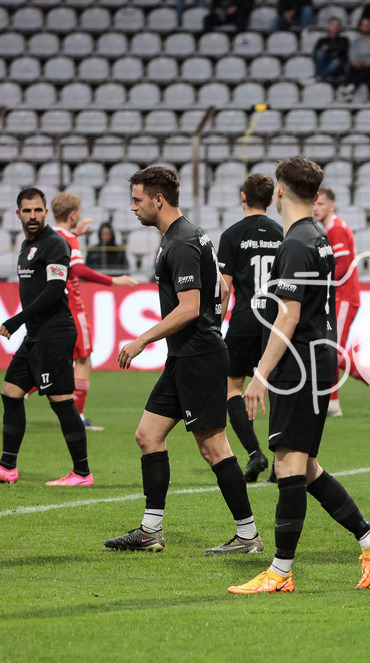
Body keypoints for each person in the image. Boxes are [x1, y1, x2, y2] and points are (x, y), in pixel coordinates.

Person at [229, 156, 370, 593]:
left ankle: (280, 572)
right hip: (316, 359)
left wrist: (260, 374)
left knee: (288, 465)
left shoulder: (296, 243)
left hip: (299, 365)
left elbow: (288, 316)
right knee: (305, 468)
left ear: (280, 191)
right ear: (315, 194)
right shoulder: (318, 237)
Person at [104, 166, 262, 555]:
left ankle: (248, 536)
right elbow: (222, 289)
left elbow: (190, 308)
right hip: (184, 357)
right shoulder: (192, 234)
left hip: (199, 359)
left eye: (138, 200)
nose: (133, 207)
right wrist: (211, 320)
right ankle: (150, 531)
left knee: (214, 448)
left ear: (158, 200)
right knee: (148, 435)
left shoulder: (179, 243)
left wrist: (142, 339)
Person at [0, 188, 92, 486]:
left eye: (38, 210)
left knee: (61, 401)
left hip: (55, 334)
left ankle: (82, 473)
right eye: (27, 211)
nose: (33, 215)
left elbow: (53, 291)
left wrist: (16, 320)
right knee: (11, 392)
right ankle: (7, 467)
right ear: (18, 214)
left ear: (46, 212)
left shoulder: (55, 244)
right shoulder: (28, 246)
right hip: (36, 334)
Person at [50, 193, 139, 431]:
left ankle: (25, 389)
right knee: (83, 359)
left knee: (55, 357)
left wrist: (74, 235)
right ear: (73, 215)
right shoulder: (68, 238)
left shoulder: (48, 236)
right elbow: (78, 268)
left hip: (52, 304)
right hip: (72, 304)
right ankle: (77, 416)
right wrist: (113, 280)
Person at [216, 173, 284, 483]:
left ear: (243, 197)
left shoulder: (231, 235)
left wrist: (215, 325)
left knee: (232, 387)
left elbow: (224, 289)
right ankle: (280, 462)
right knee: (277, 388)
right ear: (271, 200)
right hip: (276, 322)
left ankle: (254, 452)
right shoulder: (283, 234)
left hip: (244, 320)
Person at [313, 187, 370, 418]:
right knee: (330, 350)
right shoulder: (328, 229)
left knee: (332, 351)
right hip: (335, 297)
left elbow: (342, 268)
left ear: (332, 206)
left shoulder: (337, 229)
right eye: (314, 204)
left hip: (343, 297)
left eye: (321, 204)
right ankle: (334, 404)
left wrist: (318, 282)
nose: (316, 208)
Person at [341, 17, 370, 97]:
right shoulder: (356, 41)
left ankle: (350, 88)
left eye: (368, 24)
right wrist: (356, 62)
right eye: (363, 25)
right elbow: (352, 54)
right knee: (351, 68)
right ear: (360, 27)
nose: (365, 27)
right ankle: (347, 88)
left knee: (364, 71)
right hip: (357, 65)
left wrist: (364, 63)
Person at [313, 18, 350, 84]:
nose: (335, 27)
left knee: (336, 62)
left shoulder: (344, 40)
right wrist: (333, 52)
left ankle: (317, 77)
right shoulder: (322, 40)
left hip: (338, 65)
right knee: (320, 53)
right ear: (329, 26)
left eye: (337, 25)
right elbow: (316, 53)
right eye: (333, 25)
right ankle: (320, 76)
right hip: (324, 63)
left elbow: (343, 51)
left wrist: (328, 50)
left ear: (340, 27)